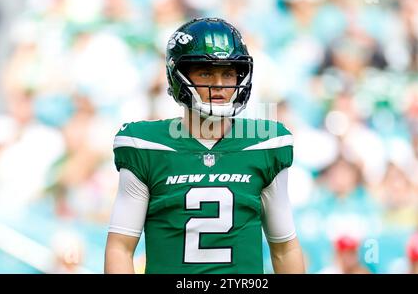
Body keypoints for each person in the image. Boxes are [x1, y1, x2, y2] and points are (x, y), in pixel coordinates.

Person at [104, 17, 305, 274]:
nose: (219, 85)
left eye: (228, 73)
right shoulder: (145, 146)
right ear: (178, 76)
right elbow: (120, 247)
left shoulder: (266, 144)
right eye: (206, 72)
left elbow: (284, 249)